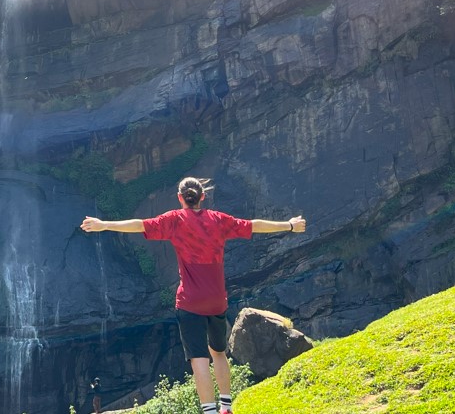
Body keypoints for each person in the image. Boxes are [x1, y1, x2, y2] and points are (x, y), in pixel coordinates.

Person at [80, 176, 306, 414]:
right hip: (217, 301)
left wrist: (103, 224)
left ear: (180, 198)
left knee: (199, 359)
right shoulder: (218, 220)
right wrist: (289, 225)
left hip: (190, 302)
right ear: (202, 197)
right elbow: (254, 225)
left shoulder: (175, 220)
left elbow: (139, 224)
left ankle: (209, 411)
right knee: (218, 353)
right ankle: (226, 407)